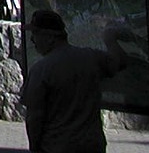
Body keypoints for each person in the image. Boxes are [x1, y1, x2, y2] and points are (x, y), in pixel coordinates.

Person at [21, 9, 128, 153]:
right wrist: (110, 38)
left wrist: (34, 148)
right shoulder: (91, 58)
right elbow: (119, 62)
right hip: (92, 146)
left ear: (50, 37)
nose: (32, 39)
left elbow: (34, 117)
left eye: (36, 33)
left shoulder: (40, 70)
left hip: (57, 147)